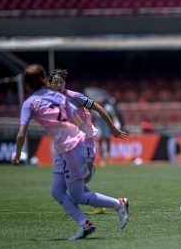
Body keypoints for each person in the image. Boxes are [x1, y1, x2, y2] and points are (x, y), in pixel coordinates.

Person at [12, 64, 129, 240]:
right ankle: (84, 223)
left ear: (27, 85)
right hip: (66, 148)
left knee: (77, 194)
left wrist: (17, 153)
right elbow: (76, 120)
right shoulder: (58, 98)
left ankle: (118, 204)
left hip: (70, 147)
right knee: (57, 191)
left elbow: (22, 134)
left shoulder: (29, 103)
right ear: (45, 80)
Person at [49, 69, 128, 214]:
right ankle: (95, 208)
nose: (59, 84)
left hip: (84, 141)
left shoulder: (75, 96)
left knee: (82, 178)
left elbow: (99, 108)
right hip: (66, 145)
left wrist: (112, 128)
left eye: (61, 82)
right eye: (55, 82)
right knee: (67, 182)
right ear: (50, 85)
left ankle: (96, 203)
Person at [91, 97, 120, 166]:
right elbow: (93, 118)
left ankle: (108, 156)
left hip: (106, 125)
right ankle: (102, 158)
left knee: (108, 140)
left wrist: (116, 123)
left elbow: (113, 116)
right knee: (100, 141)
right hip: (99, 126)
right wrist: (91, 126)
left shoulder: (109, 108)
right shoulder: (95, 109)